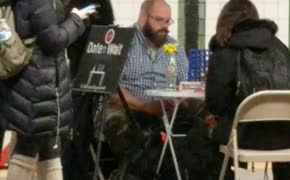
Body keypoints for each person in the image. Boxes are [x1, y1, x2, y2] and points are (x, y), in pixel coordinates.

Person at [205, 0, 290, 179]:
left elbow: (215, 104)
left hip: (245, 138)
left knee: (199, 136)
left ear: (225, 22)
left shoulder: (225, 51)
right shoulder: (281, 48)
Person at [0, 0, 92, 179]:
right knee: (28, 148)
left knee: (49, 147)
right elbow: (53, 40)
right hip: (37, 83)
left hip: (38, 81)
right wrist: (76, 19)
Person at [104, 0, 192, 179]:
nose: (165, 27)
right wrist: (145, 106)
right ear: (143, 17)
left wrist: (180, 101)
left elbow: (186, 86)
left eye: (168, 21)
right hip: (127, 109)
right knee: (129, 135)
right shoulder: (120, 44)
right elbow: (110, 91)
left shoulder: (175, 48)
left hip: (165, 112)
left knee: (195, 133)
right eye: (159, 20)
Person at [60, 0, 115, 179]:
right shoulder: (71, 3)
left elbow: (111, 30)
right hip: (78, 73)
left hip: (102, 68)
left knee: (83, 132)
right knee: (76, 132)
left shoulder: (103, 3)